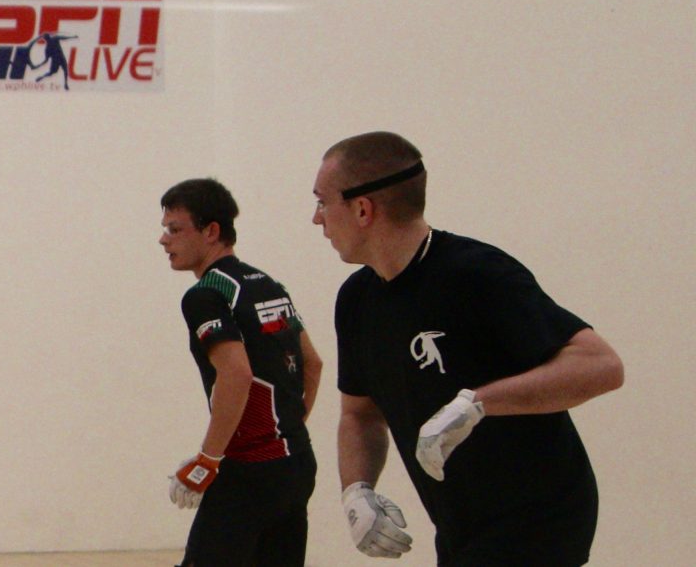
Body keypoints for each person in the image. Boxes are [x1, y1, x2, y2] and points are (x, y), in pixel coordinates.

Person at [312, 132, 624, 566]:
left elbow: (602, 365)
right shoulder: (356, 300)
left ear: (363, 209)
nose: (316, 218)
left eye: (322, 202)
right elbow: (359, 414)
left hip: (540, 520)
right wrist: (356, 491)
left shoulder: (476, 274)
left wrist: (477, 404)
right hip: (460, 526)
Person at [160, 178, 321, 567]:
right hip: (298, 463)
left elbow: (236, 374)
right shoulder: (267, 284)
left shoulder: (206, 295)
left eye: (175, 229)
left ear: (211, 231)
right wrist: (285, 431)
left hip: (248, 473)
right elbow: (313, 364)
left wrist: (208, 459)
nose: (163, 240)